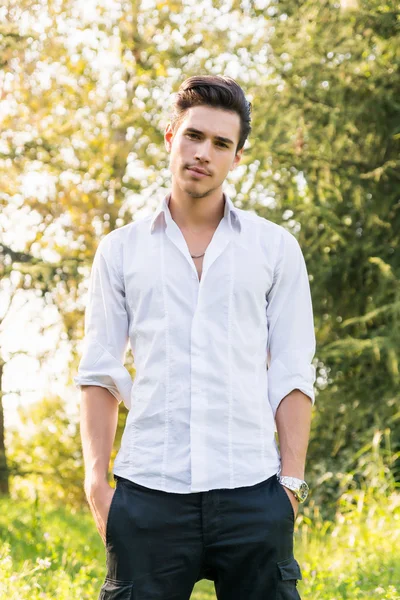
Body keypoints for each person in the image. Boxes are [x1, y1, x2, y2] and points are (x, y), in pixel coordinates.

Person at [74, 74, 316, 600]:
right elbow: (99, 373)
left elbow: (294, 371)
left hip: (253, 491)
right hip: (149, 496)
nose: (204, 152)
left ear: (237, 157)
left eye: (221, 143)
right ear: (170, 138)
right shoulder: (120, 251)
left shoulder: (275, 249)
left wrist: (290, 488)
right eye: (194, 136)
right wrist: (98, 485)